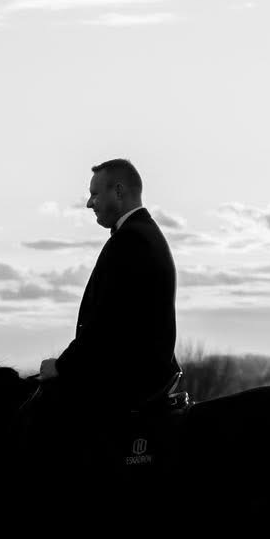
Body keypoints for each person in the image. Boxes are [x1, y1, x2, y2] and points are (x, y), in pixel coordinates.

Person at [30, 158, 180, 438]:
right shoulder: (141, 233)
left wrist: (61, 367)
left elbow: (106, 325)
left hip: (129, 383)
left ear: (119, 192)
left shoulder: (131, 239)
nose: (89, 203)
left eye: (95, 194)